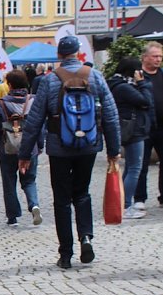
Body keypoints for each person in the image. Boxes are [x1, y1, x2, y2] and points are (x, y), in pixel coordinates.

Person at [18, 36, 120, 269]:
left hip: (59, 146)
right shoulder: (95, 76)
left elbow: (34, 120)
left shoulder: (50, 80)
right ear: (78, 52)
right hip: (89, 145)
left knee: (62, 199)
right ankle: (86, 237)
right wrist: (113, 150)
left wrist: (25, 154)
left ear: (60, 55)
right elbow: (111, 116)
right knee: (82, 193)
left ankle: (65, 253)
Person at [0, 69, 43, 226]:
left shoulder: (2, 103)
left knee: (9, 181)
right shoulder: (33, 100)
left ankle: (12, 216)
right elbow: (40, 125)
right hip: (29, 146)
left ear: (10, 84)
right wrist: (40, 145)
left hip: (8, 147)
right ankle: (34, 204)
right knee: (29, 180)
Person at [107, 57, 154, 219]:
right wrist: (142, 83)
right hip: (134, 131)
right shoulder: (124, 87)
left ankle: (124, 203)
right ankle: (125, 205)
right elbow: (146, 100)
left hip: (129, 129)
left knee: (130, 168)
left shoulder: (116, 84)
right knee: (135, 168)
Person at [136, 42, 163, 210]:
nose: (158, 59)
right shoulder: (137, 76)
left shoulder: (162, 74)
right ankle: (139, 198)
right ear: (145, 57)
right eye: (155, 56)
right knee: (141, 164)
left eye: (160, 56)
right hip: (143, 127)